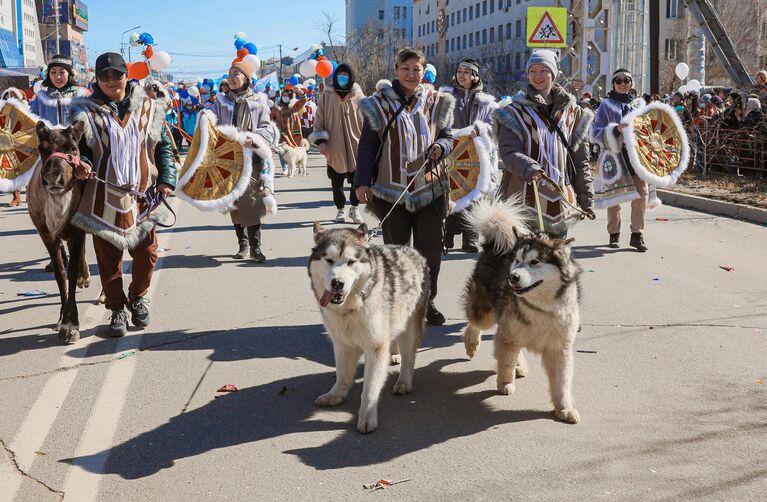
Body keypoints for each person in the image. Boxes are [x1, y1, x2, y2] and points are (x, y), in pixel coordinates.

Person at [69, 52, 176, 336]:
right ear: (97, 79)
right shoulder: (85, 111)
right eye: (105, 76)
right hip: (103, 195)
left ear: (127, 75)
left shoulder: (149, 107)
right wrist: (83, 166)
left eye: (117, 74)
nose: (112, 81)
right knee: (108, 258)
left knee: (147, 253)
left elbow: (164, 145)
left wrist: (166, 179)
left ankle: (138, 298)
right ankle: (116, 308)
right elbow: (84, 152)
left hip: (142, 195)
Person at [355, 47, 455, 326]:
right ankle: (398, 302)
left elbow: (448, 136)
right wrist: (362, 181)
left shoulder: (438, 102)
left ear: (424, 72)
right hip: (391, 190)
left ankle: (426, 301)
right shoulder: (377, 104)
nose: (411, 74)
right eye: (406, 68)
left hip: (429, 188)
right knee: (396, 251)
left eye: (417, 69)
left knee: (430, 249)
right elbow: (368, 145)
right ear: (396, 71)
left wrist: (441, 146)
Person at [495, 50, 594, 237]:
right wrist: (530, 168)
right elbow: (508, 151)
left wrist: (586, 198)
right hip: (523, 199)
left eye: (543, 70)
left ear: (554, 73)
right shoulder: (513, 112)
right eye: (532, 71)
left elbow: (580, 160)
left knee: (555, 262)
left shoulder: (573, 113)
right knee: (525, 261)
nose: (537, 76)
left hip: (560, 202)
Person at [210, 59, 277, 262]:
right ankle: (243, 243)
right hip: (228, 159)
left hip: (251, 158)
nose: (231, 78)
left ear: (246, 78)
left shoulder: (258, 101)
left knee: (251, 201)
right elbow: (212, 125)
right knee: (235, 203)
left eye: (236, 74)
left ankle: (256, 247)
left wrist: (253, 138)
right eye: (229, 74)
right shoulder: (220, 101)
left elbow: (267, 128)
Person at [439, 58, 498, 253]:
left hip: (475, 156)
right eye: (459, 71)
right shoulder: (445, 96)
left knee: (475, 194)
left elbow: (493, 125)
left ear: (474, 76)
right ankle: (447, 234)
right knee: (451, 191)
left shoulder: (486, 102)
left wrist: (479, 129)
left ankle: (470, 238)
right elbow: (436, 120)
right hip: (451, 153)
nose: (461, 75)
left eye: (466, 72)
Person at [590, 69, 650, 251]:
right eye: (619, 80)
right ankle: (614, 234)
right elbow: (594, 132)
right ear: (613, 84)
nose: (623, 83)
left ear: (632, 83)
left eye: (626, 80)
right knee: (614, 197)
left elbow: (649, 129)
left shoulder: (640, 105)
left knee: (641, 195)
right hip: (614, 156)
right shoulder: (605, 105)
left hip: (636, 157)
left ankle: (637, 235)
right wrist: (615, 130)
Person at [309, 63, 365, 224]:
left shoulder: (359, 96)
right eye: (339, 74)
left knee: (357, 180)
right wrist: (320, 140)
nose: (342, 77)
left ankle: (354, 209)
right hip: (334, 145)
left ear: (351, 77)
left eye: (345, 75)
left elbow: (368, 120)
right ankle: (340, 209)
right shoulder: (326, 95)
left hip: (356, 145)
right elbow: (319, 118)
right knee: (336, 180)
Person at [1, 87, 29, 208]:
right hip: (10, 145)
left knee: (29, 170)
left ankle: (31, 194)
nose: (10, 98)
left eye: (13, 96)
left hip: (26, 144)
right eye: (8, 96)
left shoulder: (27, 110)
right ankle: (16, 197)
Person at [270, 86, 307, 175]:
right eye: (283, 95)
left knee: (295, 150)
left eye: (287, 95)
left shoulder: (294, 106)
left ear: (290, 96)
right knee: (282, 150)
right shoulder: (277, 107)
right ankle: (285, 167)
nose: (284, 97)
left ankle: (298, 166)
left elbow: (303, 100)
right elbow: (271, 119)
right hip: (282, 133)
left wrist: (301, 93)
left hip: (293, 133)